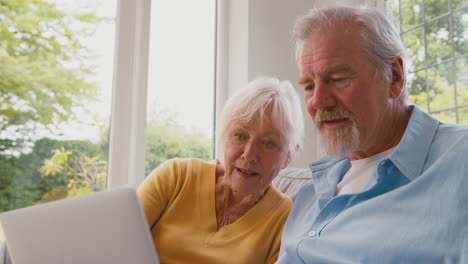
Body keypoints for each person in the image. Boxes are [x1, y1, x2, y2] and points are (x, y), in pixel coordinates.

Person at [277, 6, 468, 263]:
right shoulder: (315, 187)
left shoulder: (460, 161)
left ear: (395, 77)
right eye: (309, 86)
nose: (319, 101)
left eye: (339, 78)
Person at [137, 77, 304, 264]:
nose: (249, 155)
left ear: (288, 156)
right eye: (240, 136)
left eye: (268, 143)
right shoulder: (176, 176)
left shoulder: (285, 218)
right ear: (224, 136)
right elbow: (120, 239)